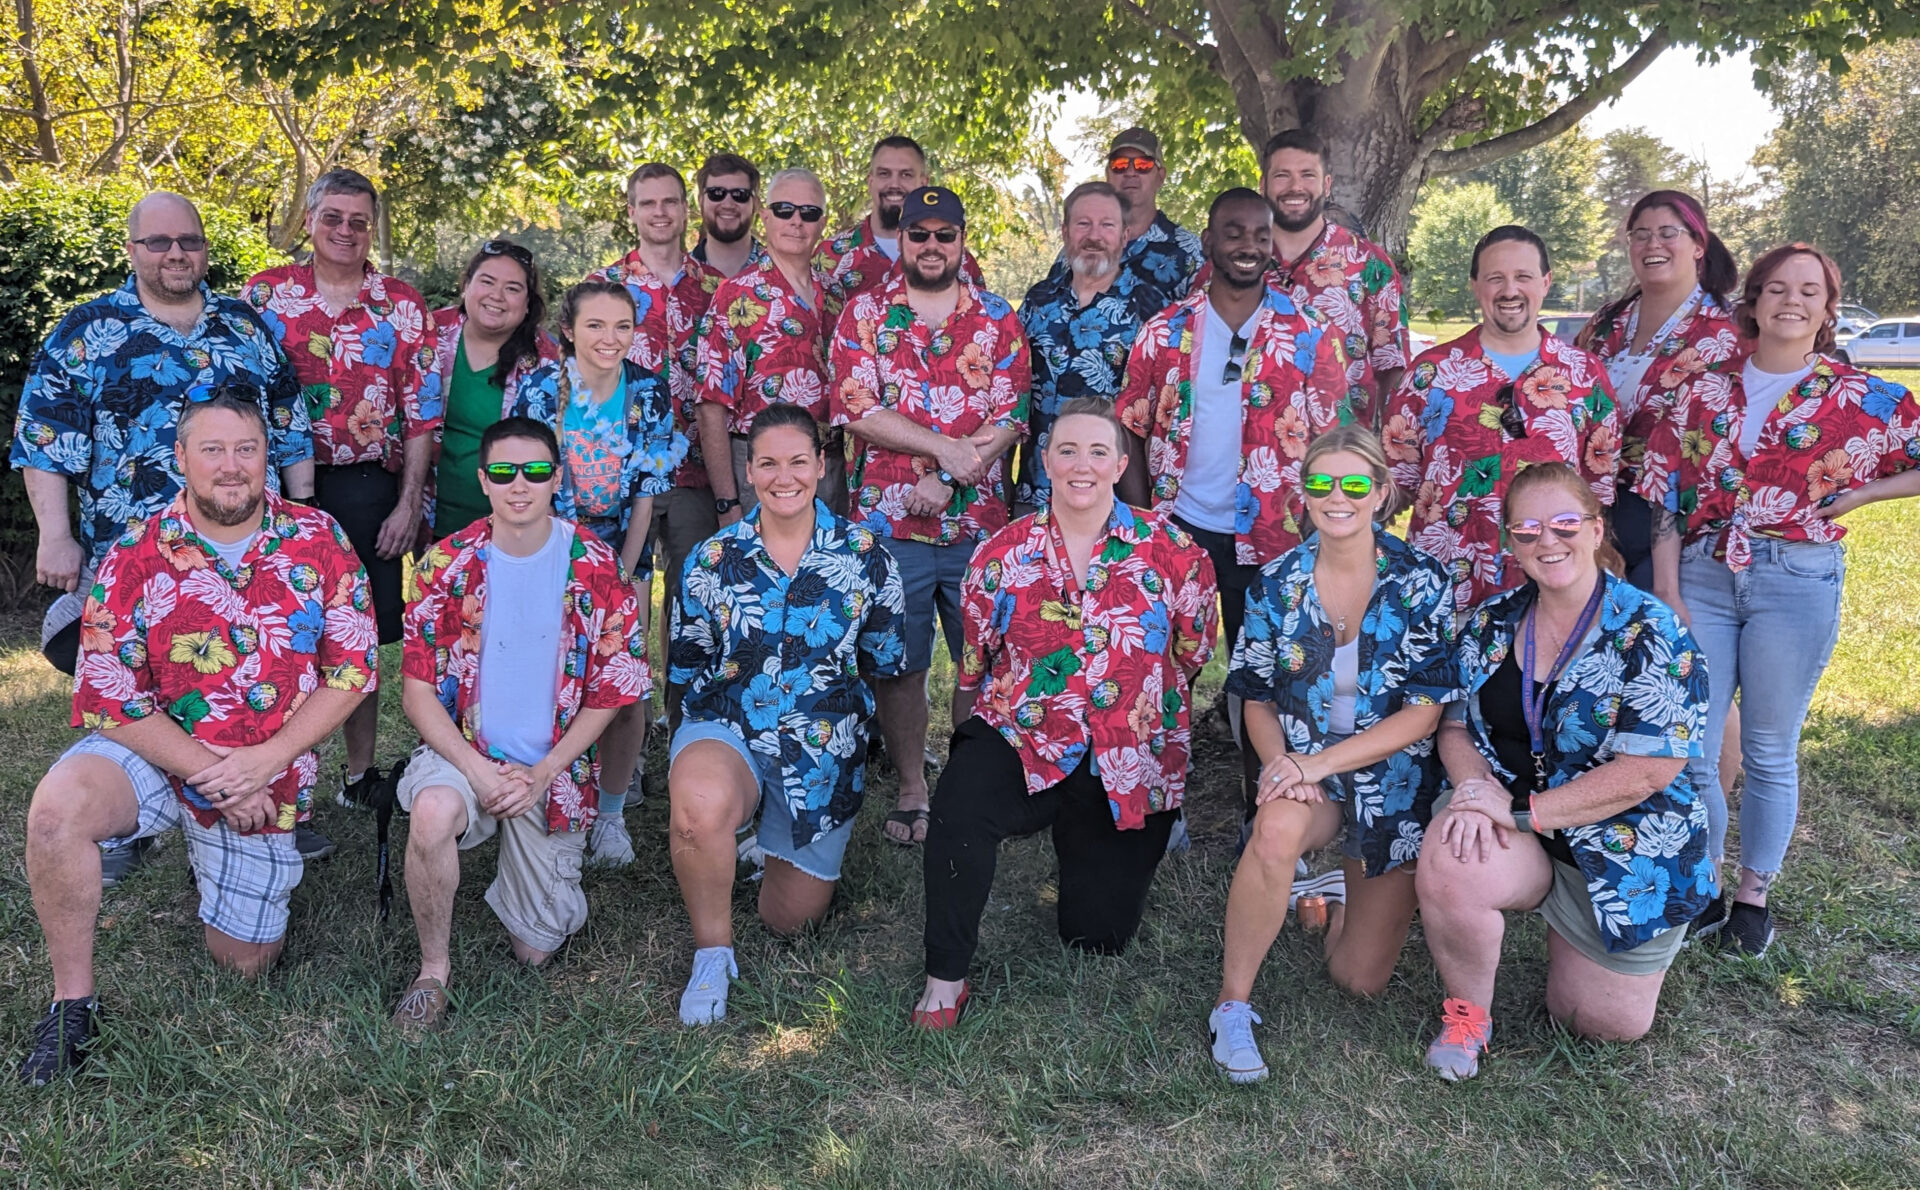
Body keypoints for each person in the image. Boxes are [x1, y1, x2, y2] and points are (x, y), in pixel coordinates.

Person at [16, 392, 375, 1085]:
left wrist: (263, 764)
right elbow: (109, 695)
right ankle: (71, 1005)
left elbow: (354, 669)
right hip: (158, 749)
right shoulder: (134, 551)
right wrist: (217, 775)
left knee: (244, 962)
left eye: (246, 449)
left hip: (266, 766)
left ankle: (209, 862)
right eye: (212, 450)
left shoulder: (318, 540)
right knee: (58, 812)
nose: (231, 466)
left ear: (267, 456)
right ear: (180, 459)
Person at [12, 191, 316, 882]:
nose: (176, 254)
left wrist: (306, 517)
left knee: (254, 679)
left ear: (205, 248)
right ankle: (125, 817)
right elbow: (45, 440)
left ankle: (266, 800)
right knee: (127, 685)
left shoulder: (245, 326)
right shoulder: (87, 331)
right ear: (133, 250)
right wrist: (54, 535)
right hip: (131, 555)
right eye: (159, 242)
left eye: (188, 241)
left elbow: (290, 425)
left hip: (245, 555)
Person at [1640, 244, 1920, 955]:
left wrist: (1864, 491)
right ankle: (1701, 884)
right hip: (1703, 572)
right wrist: (1668, 589)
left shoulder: (1859, 395)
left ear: (1829, 308)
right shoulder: (1704, 387)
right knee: (1695, 748)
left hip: (1795, 576)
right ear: (1755, 299)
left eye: (1809, 291)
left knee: (1767, 747)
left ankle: (1752, 897)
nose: (1790, 301)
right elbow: (1665, 490)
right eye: (1776, 288)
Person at [911, 398, 1217, 1029]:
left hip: (1127, 757)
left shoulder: (1174, 552)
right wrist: (969, 753)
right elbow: (975, 667)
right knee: (961, 803)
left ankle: (1090, 841)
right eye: (1068, 450)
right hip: (1025, 736)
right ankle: (945, 981)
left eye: (1098, 451)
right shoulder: (1001, 553)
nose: (1082, 464)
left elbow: (1190, 655)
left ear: (1120, 462)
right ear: (1045, 461)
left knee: (1096, 937)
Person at [1416, 462, 1712, 1081]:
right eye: (1526, 530)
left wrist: (1523, 814)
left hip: (1624, 838)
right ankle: (1468, 1017)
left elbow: (1648, 772)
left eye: (1564, 524)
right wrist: (1475, 788)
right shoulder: (1493, 622)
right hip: (1510, 811)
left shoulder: (1653, 631)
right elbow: (1454, 726)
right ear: (1509, 542)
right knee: (1452, 852)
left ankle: (1585, 931)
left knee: (1600, 1024)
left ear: (1597, 527)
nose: (1547, 541)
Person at [1207, 425, 1459, 1084]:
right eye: (1321, 483)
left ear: (1380, 493)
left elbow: (1425, 710)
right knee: (1275, 830)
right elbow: (1254, 695)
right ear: (1303, 494)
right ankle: (1232, 1007)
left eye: (1354, 484)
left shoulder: (1424, 581)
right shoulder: (1275, 584)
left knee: (1358, 980)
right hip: (1307, 775)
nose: (1336, 496)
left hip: (1393, 787)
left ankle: (1334, 896)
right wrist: (1280, 766)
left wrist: (1317, 763)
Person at [389, 417, 647, 1033]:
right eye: (503, 472)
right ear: (483, 480)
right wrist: (477, 771)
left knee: (536, 951)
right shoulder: (445, 565)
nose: (520, 484)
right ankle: (432, 972)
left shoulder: (594, 564)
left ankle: (523, 877)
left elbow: (613, 692)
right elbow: (418, 694)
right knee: (430, 813)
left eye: (535, 470)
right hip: (465, 754)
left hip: (548, 770)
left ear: (557, 477)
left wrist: (541, 774)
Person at [1116, 186, 1353, 838]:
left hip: (1276, 539)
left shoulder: (1311, 337)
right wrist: (1146, 527)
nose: (1247, 245)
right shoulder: (1166, 332)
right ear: (1210, 242)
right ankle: (1160, 812)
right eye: (1233, 232)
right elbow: (1131, 427)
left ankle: (1268, 814)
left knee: (1271, 680)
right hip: (1180, 529)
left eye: (1259, 234)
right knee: (1158, 672)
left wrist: (1320, 536)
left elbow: (1336, 447)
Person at [665, 403, 906, 1025]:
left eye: (798, 461)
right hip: (731, 721)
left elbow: (885, 665)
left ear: (821, 466)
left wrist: (903, 774)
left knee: (789, 922)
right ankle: (713, 953)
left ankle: (763, 845)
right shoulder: (713, 560)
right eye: (767, 463)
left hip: (820, 751)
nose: (784, 476)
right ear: (749, 472)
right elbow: (687, 669)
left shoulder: (867, 557)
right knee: (698, 808)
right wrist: (686, 762)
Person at [828, 185, 1031, 847]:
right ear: (903, 238)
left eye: (947, 235)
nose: (934, 246)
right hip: (890, 526)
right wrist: (942, 447)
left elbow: (1012, 416)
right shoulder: (864, 313)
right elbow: (856, 408)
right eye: (921, 234)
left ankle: (969, 790)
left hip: (979, 527)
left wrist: (946, 472)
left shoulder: (997, 317)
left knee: (983, 658)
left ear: (962, 241)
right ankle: (913, 785)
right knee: (900, 663)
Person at [244, 168, 436, 843]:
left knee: (359, 640)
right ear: (310, 218)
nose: (346, 231)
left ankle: (358, 775)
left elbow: (420, 418)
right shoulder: (265, 295)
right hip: (280, 490)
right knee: (282, 637)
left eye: (359, 220)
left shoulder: (403, 305)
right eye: (333, 218)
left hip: (368, 489)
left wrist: (409, 504)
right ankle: (282, 778)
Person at [512, 280, 685, 868]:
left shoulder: (649, 393)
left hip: (623, 551)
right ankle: (549, 793)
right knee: (553, 675)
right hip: (551, 548)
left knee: (625, 681)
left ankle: (611, 811)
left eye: (622, 327)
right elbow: (529, 483)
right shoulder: (540, 391)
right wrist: (561, 564)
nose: (609, 339)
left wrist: (628, 570)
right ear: (568, 329)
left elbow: (645, 491)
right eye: (595, 326)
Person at [1383, 225, 1622, 616]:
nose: (1509, 290)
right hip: (1447, 592)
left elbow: (1597, 491)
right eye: (1496, 278)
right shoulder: (1430, 374)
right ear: (1475, 286)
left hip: (1552, 595)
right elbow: (1397, 484)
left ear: (1545, 283)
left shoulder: (1585, 376)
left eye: (1523, 277)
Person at [1575, 190, 1745, 589]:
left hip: (1679, 527)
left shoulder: (1728, 331)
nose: (1653, 244)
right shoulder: (1606, 324)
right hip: (1593, 512)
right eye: (1640, 234)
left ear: (1698, 245)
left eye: (1668, 232)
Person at [695, 168, 840, 524]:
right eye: (784, 210)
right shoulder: (736, 296)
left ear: (822, 222)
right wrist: (727, 503)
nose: (796, 221)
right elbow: (711, 406)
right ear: (764, 216)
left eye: (808, 212)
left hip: (829, 466)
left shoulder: (837, 296)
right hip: (762, 468)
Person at [1013, 181, 1167, 514]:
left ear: (1125, 235)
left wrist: (1139, 510)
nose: (1093, 236)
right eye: (1083, 224)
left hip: (1112, 497)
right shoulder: (1038, 301)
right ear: (1066, 231)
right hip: (1037, 491)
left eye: (1106, 225)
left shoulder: (1153, 312)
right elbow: (1011, 394)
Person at [1260, 128, 1411, 425]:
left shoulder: (1369, 264)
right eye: (1282, 176)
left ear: (1327, 185)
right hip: (1254, 454)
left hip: (1341, 454)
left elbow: (1392, 365)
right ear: (1263, 184)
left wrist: (1392, 455)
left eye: (1307, 175)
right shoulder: (1234, 264)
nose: (1295, 187)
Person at [426, 239, 559, 538]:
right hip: (432, 520)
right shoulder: (429, 335)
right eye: (487, 282)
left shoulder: (547, 361)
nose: (497, 296)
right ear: (466, 286)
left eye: (513, 288)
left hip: (512, 529)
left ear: (527, 305)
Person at [815, 136, 982, 311]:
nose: (894, 184)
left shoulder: (960, 261)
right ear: (870, 181)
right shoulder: (831, 255)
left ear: (924, 182)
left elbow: (983, 324)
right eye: (884, 174)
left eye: (906, 175)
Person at [691, 152, 765, 281]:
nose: (728, 204)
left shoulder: (782, 273)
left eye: (739, 194)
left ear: (756, 204)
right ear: (701, 201)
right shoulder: (679, 276)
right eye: (717, 193)